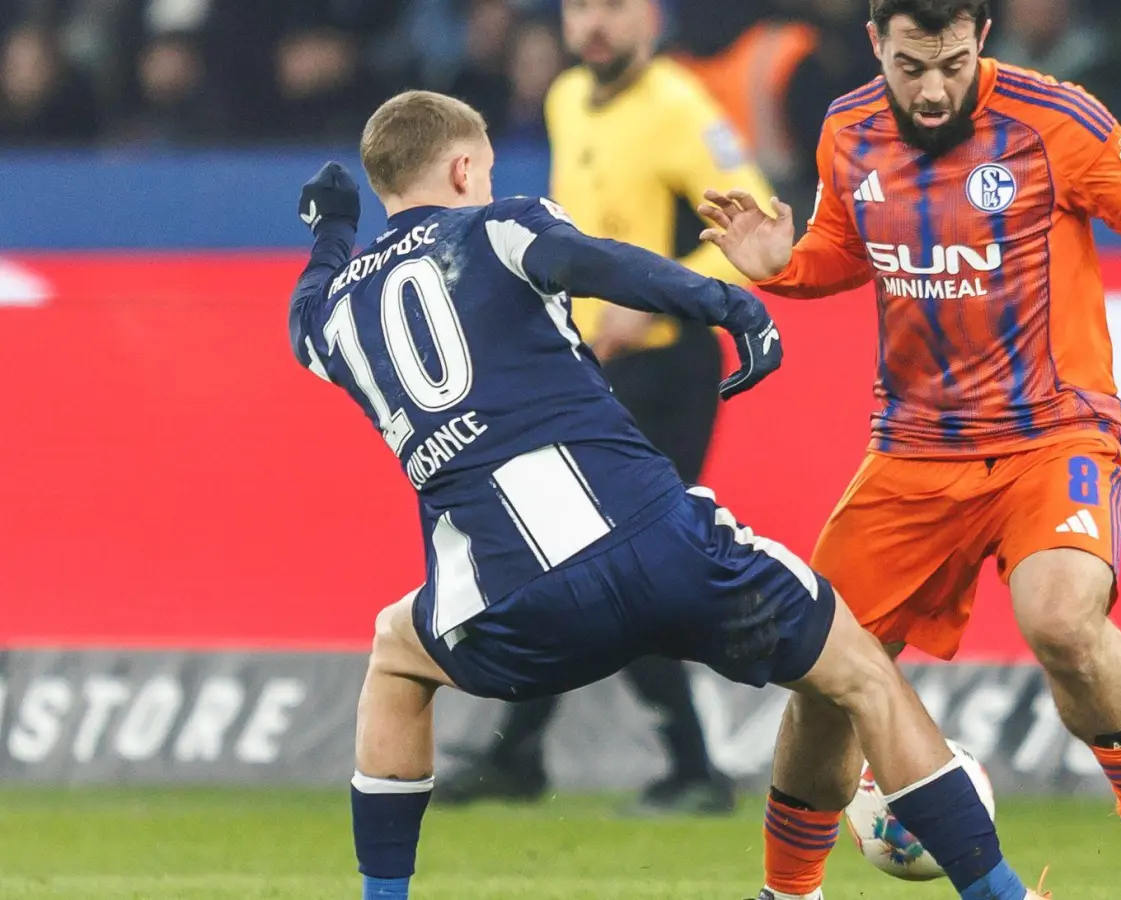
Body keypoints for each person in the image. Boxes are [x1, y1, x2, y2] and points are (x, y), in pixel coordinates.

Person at [287, 90, 1046, 900]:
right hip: (657, 548)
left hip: (510, 608)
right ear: (465, 168)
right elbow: (593, 262)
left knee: (396, 654)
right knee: (861, 673)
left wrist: (332, 227)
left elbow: (303, 315)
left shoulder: (335, 312)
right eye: (485, 171)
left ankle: (383, 898)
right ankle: (997, 894)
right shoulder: (500, 225)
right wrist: (723, 303)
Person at [698, 2, 1121, 900]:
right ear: (876, 46)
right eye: (910, 67)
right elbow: (850, 250)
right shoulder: (846, 129)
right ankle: (788, 892)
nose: (932, 91)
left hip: (1053, 432)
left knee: (1060, 618)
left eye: (951, 63)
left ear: (982, 39)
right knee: (828, 678)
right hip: (913, 448)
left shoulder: (1059, 121)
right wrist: (781, 261)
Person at [437, 0, 780, 816]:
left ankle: (680, 762)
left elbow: (764, 233)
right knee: (577, 559)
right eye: (581, 6)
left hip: (669, 369)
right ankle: (529, 756)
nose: (595, 21)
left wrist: (657, 300)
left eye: (615, 6)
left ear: (650, 18)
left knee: (605, 558)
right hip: (589, 371)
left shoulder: (679, 108)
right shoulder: (563, 99)